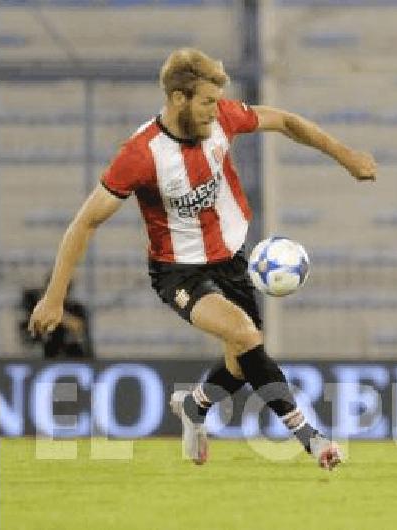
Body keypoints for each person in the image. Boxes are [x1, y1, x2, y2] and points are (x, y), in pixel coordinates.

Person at [28, 48, 377, 470]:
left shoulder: (222, 121)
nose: (216, 111)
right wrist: (54, 297)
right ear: (178, 98)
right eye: (207, 102)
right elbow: (84, 223)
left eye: (216, 102)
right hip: (179, 271)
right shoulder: (141, 155)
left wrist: (348, 157)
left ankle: (195, 407)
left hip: (231, 259)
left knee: (242, 357)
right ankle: (313, 438)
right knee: (246, 336)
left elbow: (285, 121)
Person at [19, 278, 94, 359]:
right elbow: (31, 336)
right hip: (48, 356)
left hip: (74, 356)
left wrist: (53, 310)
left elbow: (78, 326)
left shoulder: (76, 308)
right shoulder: (39, 310)